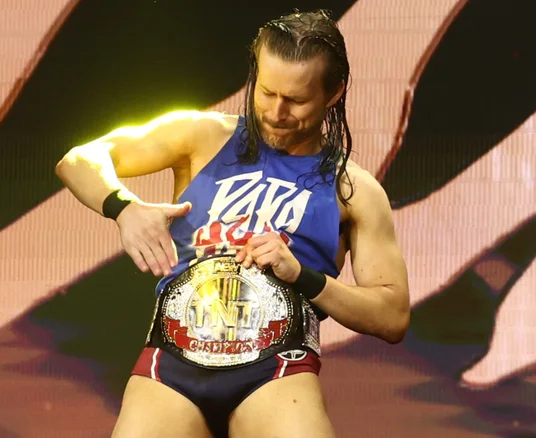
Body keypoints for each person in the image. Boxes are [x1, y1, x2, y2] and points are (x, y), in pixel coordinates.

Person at [55, 10, 410, 438]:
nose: (276, 111)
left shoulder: (354, 189)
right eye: (266, 92)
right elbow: (80, 160)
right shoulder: (201, 135)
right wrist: (124, 207)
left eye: (296, 100)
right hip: (173, 364)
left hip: (276, 372)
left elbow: (392, 316)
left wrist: (303, 275)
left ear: (334, 92)